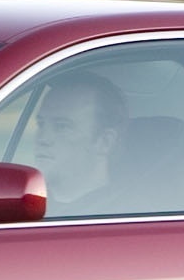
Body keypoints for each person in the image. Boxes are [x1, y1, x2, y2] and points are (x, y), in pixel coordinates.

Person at [21, 72, 127, 213]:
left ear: (104, 142)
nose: (43, 139)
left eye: (62, 126)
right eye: (41, 124)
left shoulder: (126, 214)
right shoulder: (25, 207)